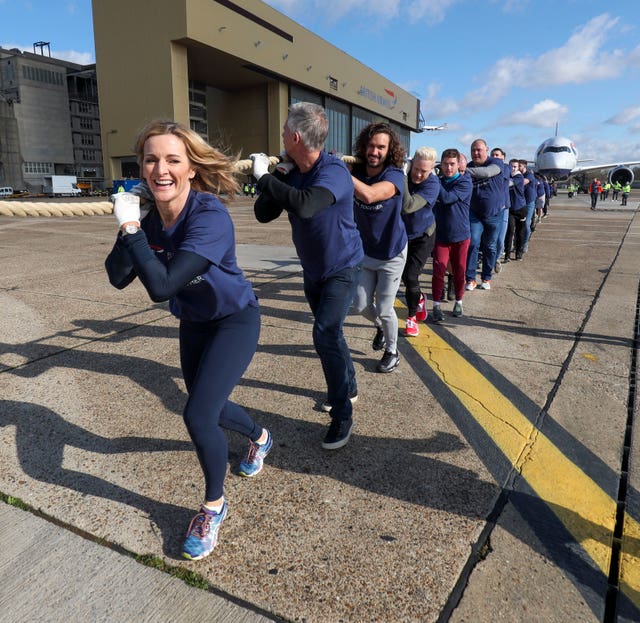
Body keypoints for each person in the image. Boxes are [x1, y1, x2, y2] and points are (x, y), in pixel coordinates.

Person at [105, 120, 272, 562]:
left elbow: (161, 286)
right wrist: (131, 226)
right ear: (141, 168)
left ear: (192, 169)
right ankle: (259, 435)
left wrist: (133, 233)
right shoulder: (151, 219)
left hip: (235, 320)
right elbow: (118, 277)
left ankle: (213, 507)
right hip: (194, 321)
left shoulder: (209, 216)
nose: (161, 169)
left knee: (198, 415)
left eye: (173, 160)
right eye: (151, 160)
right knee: (207, 404)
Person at [251, 102, 363, 450]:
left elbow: (305, 204)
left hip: (343, 267)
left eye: (284, 131)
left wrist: (265, 177)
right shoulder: (293, 170)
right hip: (313, 268)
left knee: (325, 334)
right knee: (333, 334)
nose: (281, 136)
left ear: (295, 137)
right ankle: (350, 384)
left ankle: (342, 412)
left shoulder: (333, 171)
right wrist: (277, 177)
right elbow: (263, 214)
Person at [351, 122, 406, 373]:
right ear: (363, 147)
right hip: (365, 251)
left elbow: (371, 195)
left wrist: (343, 174)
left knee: (385, 308)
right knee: (360, 305)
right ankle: (382, 328)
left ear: (389, 150)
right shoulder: (355, 170)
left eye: (381, 147)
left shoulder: (395, 175)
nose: (375, 151)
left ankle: (392, 351)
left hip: (392, 252)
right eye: (371, 146)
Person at [401, 146, 440, 336]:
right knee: (403, 277)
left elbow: (408, 206)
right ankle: (419, 298)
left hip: (423, 236)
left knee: (410, 276)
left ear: (431, 169)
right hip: (403, 234)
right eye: (415, 168)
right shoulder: (408, 173)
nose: (418, 174)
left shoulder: (432, 184)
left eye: (424, 171)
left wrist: (401, 176)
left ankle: (411, 317)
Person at [431, 149, 472, 322]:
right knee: (438, 270)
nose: (448, 168)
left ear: (458, 165)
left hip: (460, 236)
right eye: (445, 164)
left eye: (452, 164)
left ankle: (459, 301)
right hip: (440, 236)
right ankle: (436, 305)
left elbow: (447, 198)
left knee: (459, 271)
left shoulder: (464, 182)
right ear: (441, 164)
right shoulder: (437, 181)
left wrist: (433, 180)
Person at [465, 139, 508, 291]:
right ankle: (470, 279)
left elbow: (487, 173)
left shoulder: (495, 162)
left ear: (486, 150)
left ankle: (486, 277)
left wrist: (462, 170)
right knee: (472, 244)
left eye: (479, 150)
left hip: (495, 213)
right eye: (473, 150)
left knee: (490, 246)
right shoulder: (468, 166)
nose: (476, 153)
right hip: (474, 213)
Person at [490, 147, 510, 274]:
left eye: (497, 155)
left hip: (503, 208)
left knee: (499, 239)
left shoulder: (506, 168)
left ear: (503, 157)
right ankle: (489, 262)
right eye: (493, 155)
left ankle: (496, 259)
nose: (495, 157)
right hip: (490, 208)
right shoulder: (488, 167)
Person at [504, 159, 527, 261]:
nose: (513, 169)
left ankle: (518, 253)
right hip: (510, 210)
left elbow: (508, 184)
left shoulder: (519, 177)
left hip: (520, 208)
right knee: (509, 231)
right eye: (511, 166)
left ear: (518, 168)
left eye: (515, 167)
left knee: (520, 232)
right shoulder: (508, 176)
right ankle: (507, 255)